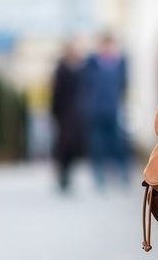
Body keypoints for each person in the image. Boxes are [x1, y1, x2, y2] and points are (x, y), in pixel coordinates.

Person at [79, 33, 130, 187]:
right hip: (95, 110)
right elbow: (85, 85)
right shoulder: (91, 63)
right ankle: (98, 176)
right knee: (97, 144)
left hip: (114, 109)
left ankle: (122, 174)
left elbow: (123, 85)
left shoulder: (119, 63)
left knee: (118, 143)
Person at [50, 40, 85, 192]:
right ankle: (62, 175)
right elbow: (56, 94)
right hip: (63, 114)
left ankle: (68, 175)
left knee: (72, 147)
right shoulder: (61, 70)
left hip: (75, 115)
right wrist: (55, 113)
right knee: (63, 146)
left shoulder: (79, 70)